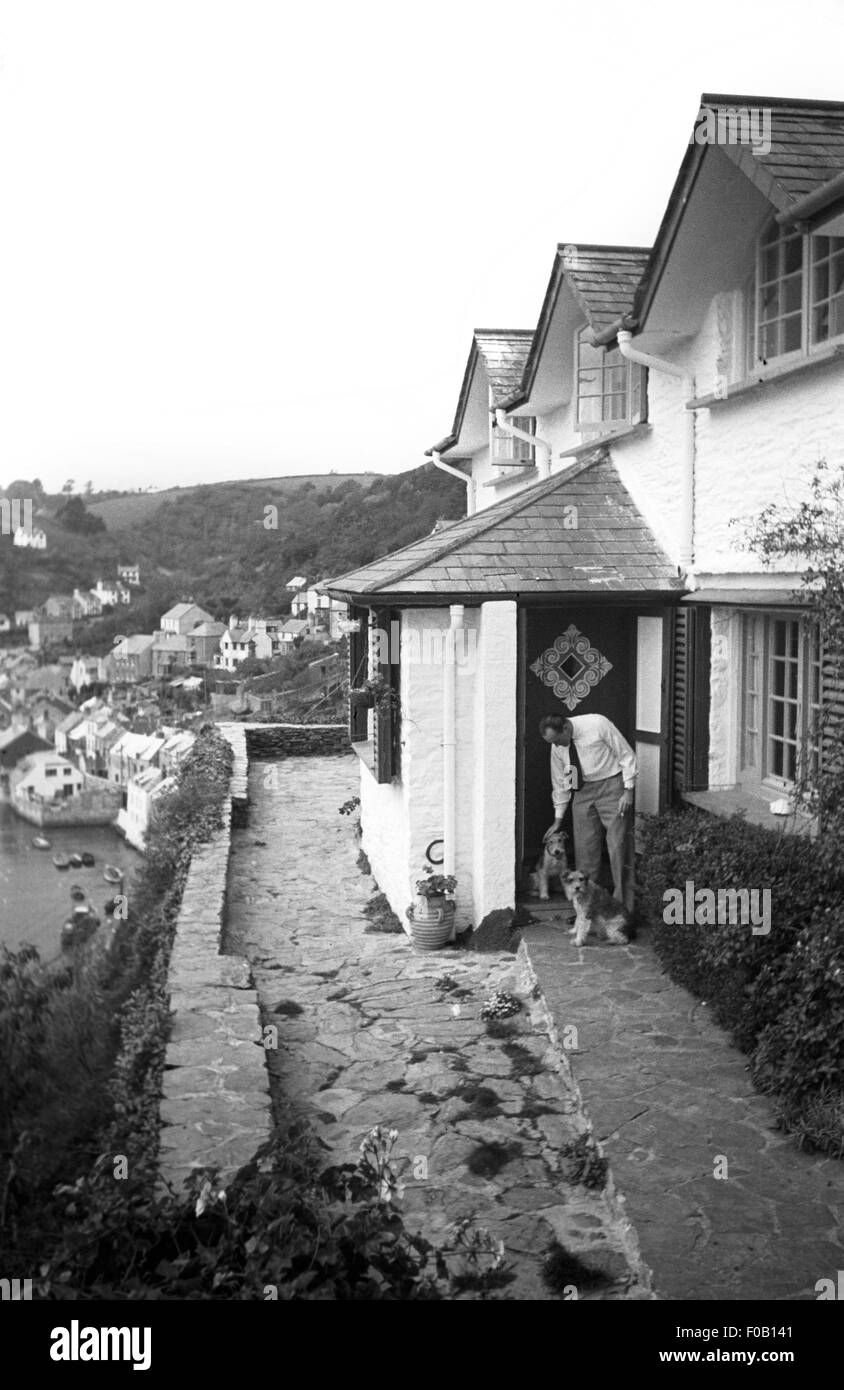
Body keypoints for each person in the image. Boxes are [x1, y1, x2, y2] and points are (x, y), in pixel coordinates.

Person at [540, 712, 636, 911]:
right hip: (582, 790)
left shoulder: (598, 724)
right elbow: (560, 781)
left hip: (611, 785)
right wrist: (558, 818)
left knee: (618, 845)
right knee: (584, 849)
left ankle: (622, 909)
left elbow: (626, 754)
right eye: (553, 743)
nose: (556, 746)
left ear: (566, 728)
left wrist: (628, 791)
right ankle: (586, 909)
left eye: (558, 741)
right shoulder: (557, 746)